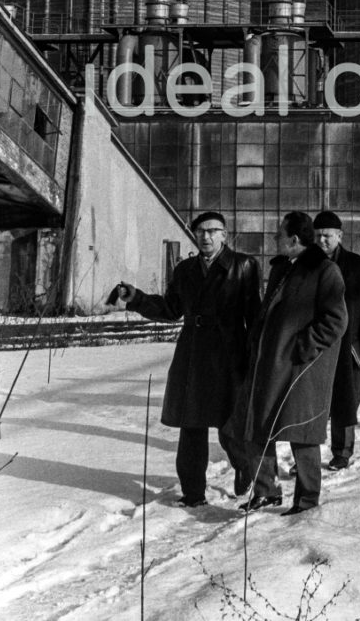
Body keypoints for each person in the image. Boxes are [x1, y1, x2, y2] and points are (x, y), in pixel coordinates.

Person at [118, 211, 261, 507]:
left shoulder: (244, 265)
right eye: (200, 232)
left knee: (230, 424)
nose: (206, 237)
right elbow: (171, 308)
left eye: (213, 231)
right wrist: (137, 297)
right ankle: (193, 493)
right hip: (193, 354)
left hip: (230, 354)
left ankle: (245, 467)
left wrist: (255, 356)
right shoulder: (185, 270)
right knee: (191, 425)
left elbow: (254, 315)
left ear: (224, 234)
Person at [226, 211, 347, 515]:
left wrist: (302, 347)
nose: (274, 238)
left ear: (294, 239)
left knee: (301, 432)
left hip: (300, 368)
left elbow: (336, 321)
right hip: (269, 362)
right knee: (257, 425)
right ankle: (266, 490)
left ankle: (306, 501)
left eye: (278, 234)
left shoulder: (325, 270)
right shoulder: (282, 269)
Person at [313, 210, 360, 470]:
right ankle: (308, 455)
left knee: (346, 399)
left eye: (327, 236)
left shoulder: (357, 265)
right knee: (315, 401)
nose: (322, 240)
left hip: (349, 346)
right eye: (317, 235)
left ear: (340, 236)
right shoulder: (307, 264)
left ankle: (342, 452)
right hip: (317, 344)